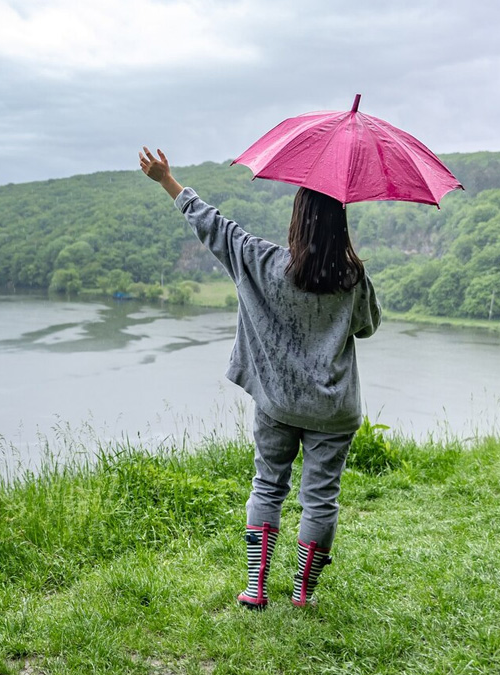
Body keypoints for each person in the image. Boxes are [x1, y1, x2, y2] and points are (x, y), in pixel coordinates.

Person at [139, 146, 381, 609]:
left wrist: (168, 181)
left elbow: (214, 226)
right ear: (341, 226)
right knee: (320, 499)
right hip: (333, 409)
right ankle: (303, 594)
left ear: (297, 219)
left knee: (268, 485)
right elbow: (367, 326)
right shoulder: (353, 278)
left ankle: (255, 589)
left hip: (276, 402)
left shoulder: (260, 261)